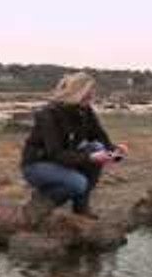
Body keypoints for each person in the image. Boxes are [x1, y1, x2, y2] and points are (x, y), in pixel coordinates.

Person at [19, 72, 127, 226]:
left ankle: (81, 208)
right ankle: (38, 204)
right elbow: (55, 153)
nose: (93, 96)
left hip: (65, 159)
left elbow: (99, 136)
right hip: (38, 164)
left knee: (97, 147)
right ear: (78, 92)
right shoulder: (49, 115)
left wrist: (115, 152)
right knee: (78, 183)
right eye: (89, 92)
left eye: (93, 92)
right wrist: (90, 158)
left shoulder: (85, 111)